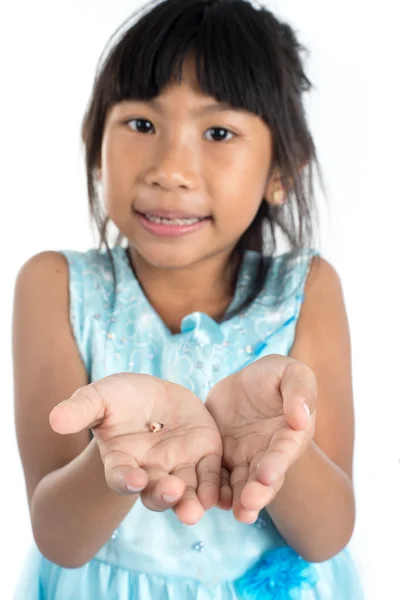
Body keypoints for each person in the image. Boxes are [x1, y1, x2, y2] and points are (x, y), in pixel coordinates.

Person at [12, 0, 364, 598]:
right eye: (142, 125)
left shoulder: (307, 289)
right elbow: (58, 537)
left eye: (219, 131)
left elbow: (328, 535)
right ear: (96, 142)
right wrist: (114, 463)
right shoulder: (55, 286)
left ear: (282, 171)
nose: (170, 169)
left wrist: (284, 451)